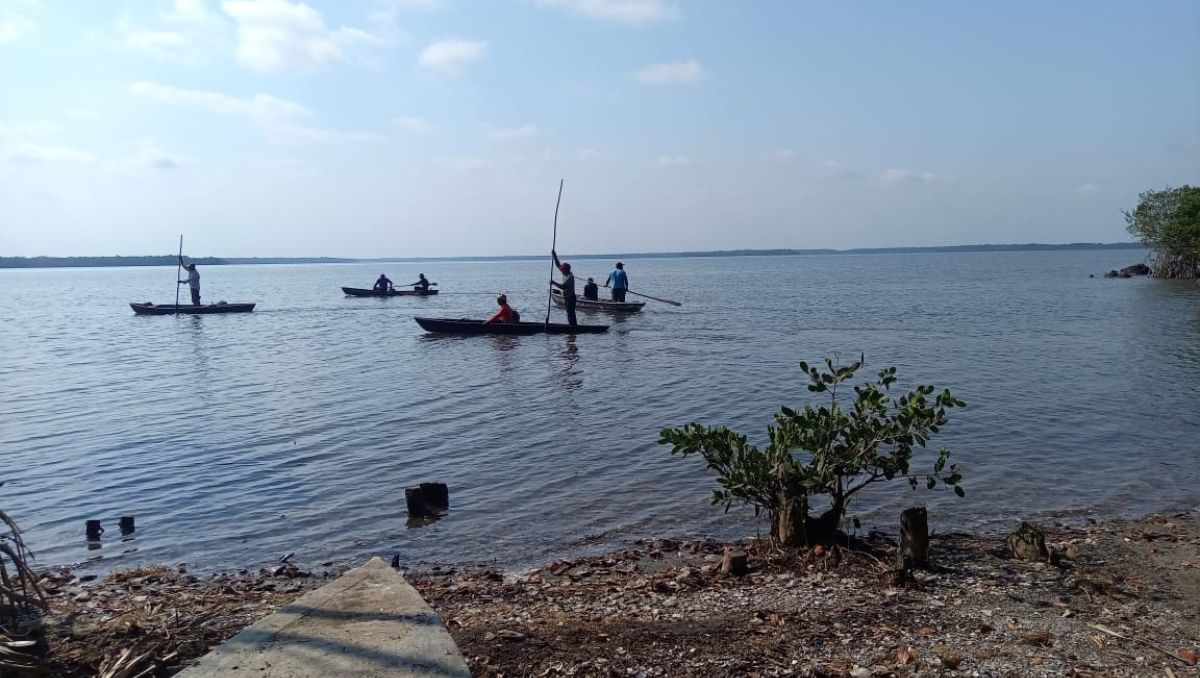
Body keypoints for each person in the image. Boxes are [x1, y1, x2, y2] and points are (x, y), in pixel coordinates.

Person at [549, 249, 577, 326]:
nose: (561, 271)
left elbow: (563, 287)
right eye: (561, 270)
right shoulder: (565, 274)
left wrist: (554, 283)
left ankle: (573, 327)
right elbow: (558, 265)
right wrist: (554, 255)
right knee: (569, 313)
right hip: (567, 297)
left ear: (567, 270)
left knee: (571, 313)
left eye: (563, 270)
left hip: (571, 298)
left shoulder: (569, 277)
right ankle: (572, 327)